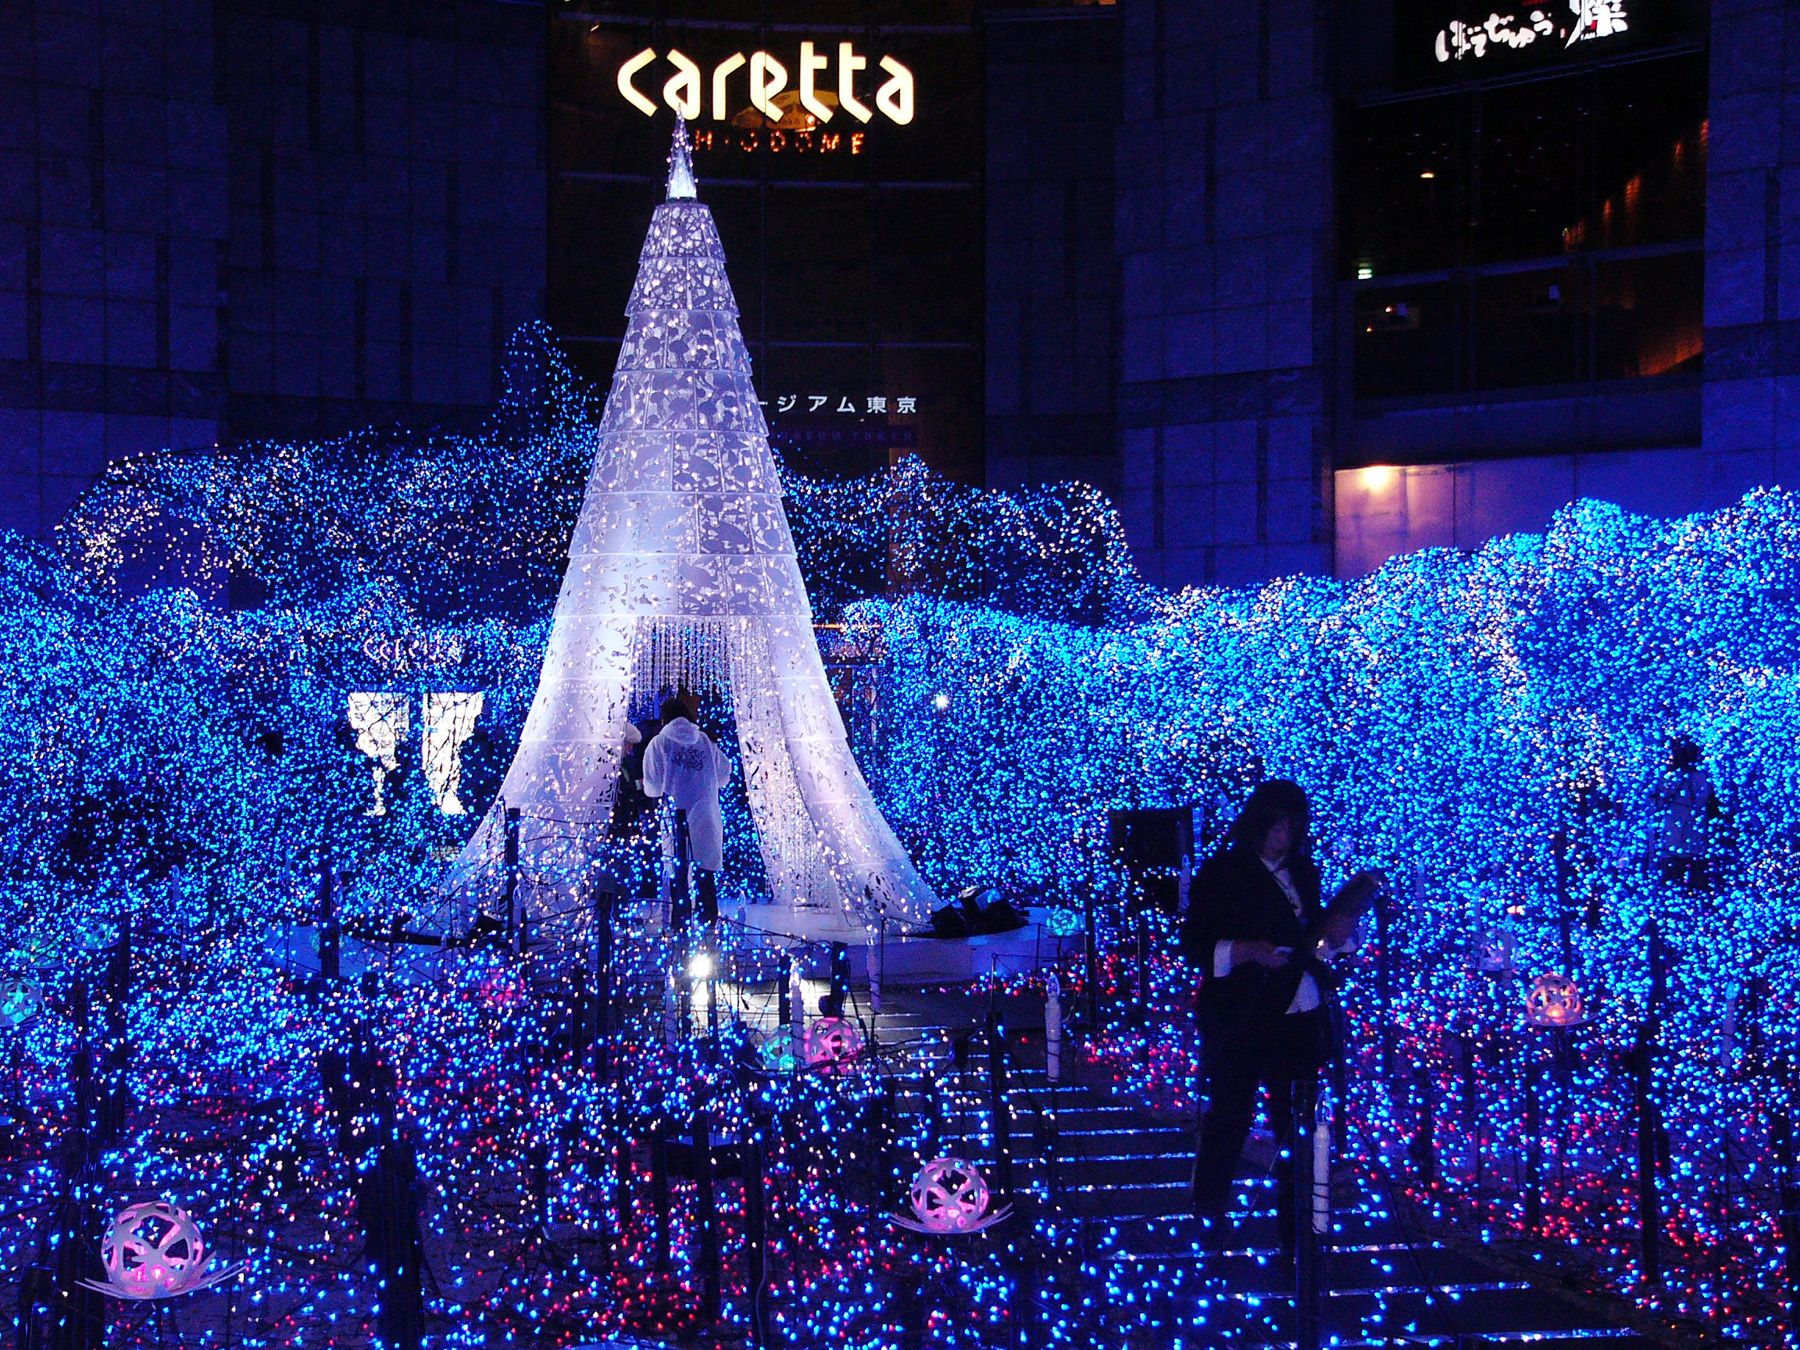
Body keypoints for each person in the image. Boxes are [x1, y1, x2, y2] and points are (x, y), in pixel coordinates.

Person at [1179, 779, 1363, 1249]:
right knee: (1230, 1115)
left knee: (1296, 1121)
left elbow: (1313, 936)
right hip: (1243, 1012)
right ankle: (1209, 1214)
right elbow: (1195, 945)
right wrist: (1245, 951)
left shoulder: (1303, 871)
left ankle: (1297, 1221)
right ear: (1259, 822)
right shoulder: (1223, 872)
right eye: (1278, 824)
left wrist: (1335, 939)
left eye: (1293, 825)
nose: (1285, 834)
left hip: (1298, 1008)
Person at [642, 696, 732, 929]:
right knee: (705, 872)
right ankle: (709, 922)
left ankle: (680, 924)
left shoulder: (660, 743)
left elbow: (652, 785)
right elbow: (724, 773)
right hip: (705, 813)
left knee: (678, 871)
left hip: (675, 816)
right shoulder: (704, 740)